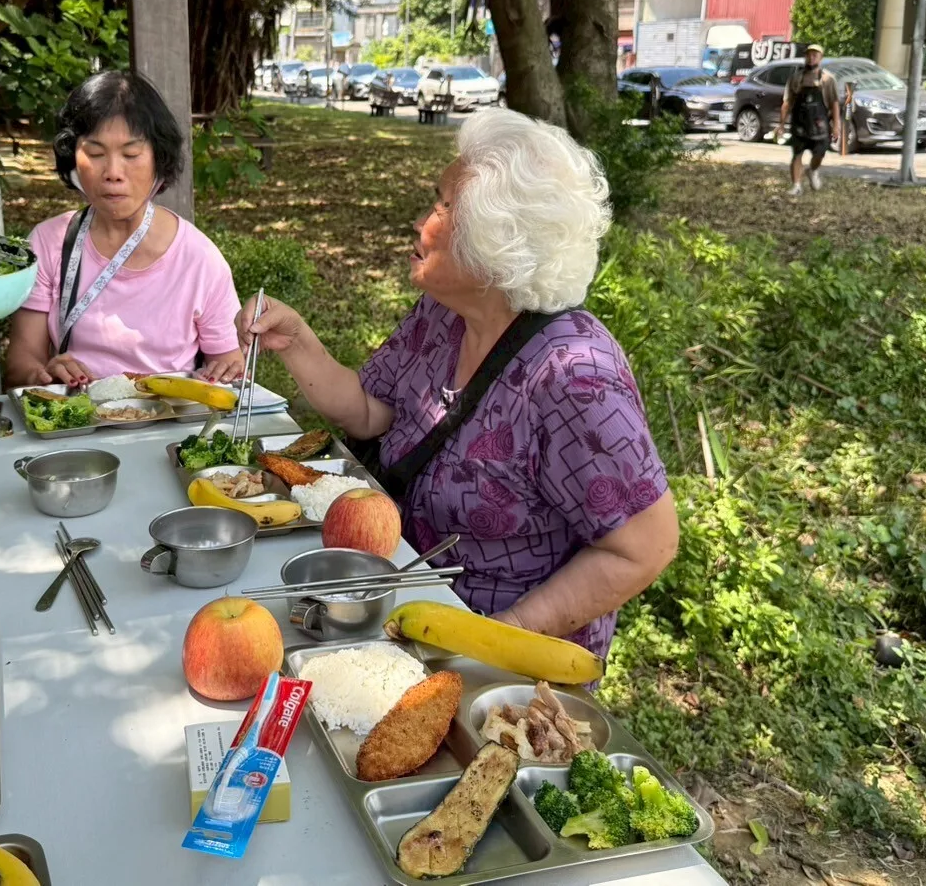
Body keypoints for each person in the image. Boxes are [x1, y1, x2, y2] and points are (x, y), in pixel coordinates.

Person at [237, 109, 678, 660]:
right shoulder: (444, 313)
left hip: (497, 663)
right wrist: (297, 340)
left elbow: (646, 548)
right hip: (395, 610)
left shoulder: (576, 380)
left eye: (445, 206)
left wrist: (488, 638)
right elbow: (371, 414)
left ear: (496, 240)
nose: (423, 222)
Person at [4, 72, 245, 388]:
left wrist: (225, 372)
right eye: (95, 153)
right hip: (78, 425)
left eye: (131, 154)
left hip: (170, 427)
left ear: (159, 159)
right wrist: (44, 375)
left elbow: (227, 362)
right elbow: (21, 362)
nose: (113, 173)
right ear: (72, 159)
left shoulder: (199, 259)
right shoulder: (50, 244)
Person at [775, 43, 841, 196]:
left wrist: (836, 125)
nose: (811, 58)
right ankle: (796, 186)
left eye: (814, 55)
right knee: (797, 154)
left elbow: (835, 103)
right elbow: (787, 101)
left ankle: (813, 170)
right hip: (799, 123)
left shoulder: (828, 79)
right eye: (809, 55)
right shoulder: (796, 78)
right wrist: (782, 124)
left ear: (820, 58)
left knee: (819, 154)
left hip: (820, 124)